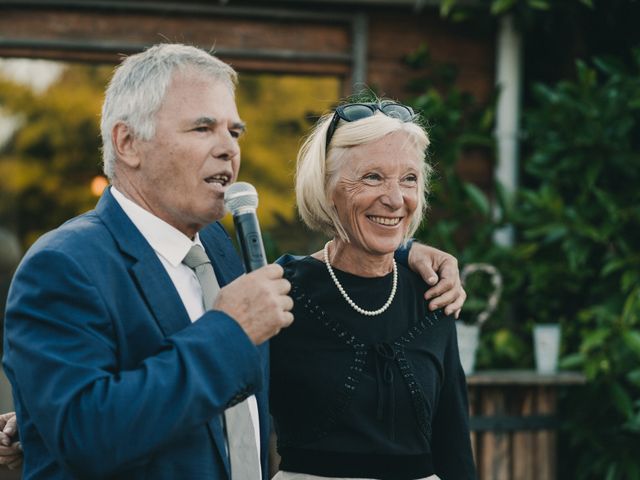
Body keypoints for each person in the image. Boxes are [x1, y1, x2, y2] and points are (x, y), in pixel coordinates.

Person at [2, 44, 465, 479]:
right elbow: (86, 432)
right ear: (128, 143)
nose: (230, 147)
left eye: (234, 131)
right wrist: (231, 330)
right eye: (203, 128)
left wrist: (403, 249)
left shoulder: (220, 251)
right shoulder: (63, 264)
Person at [270, 100, 476, 479]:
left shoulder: (433, 291)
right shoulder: (281, 290)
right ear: (328, 187)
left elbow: (453, 442)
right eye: (373, 177)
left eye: (409, 179)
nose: (395, 199)